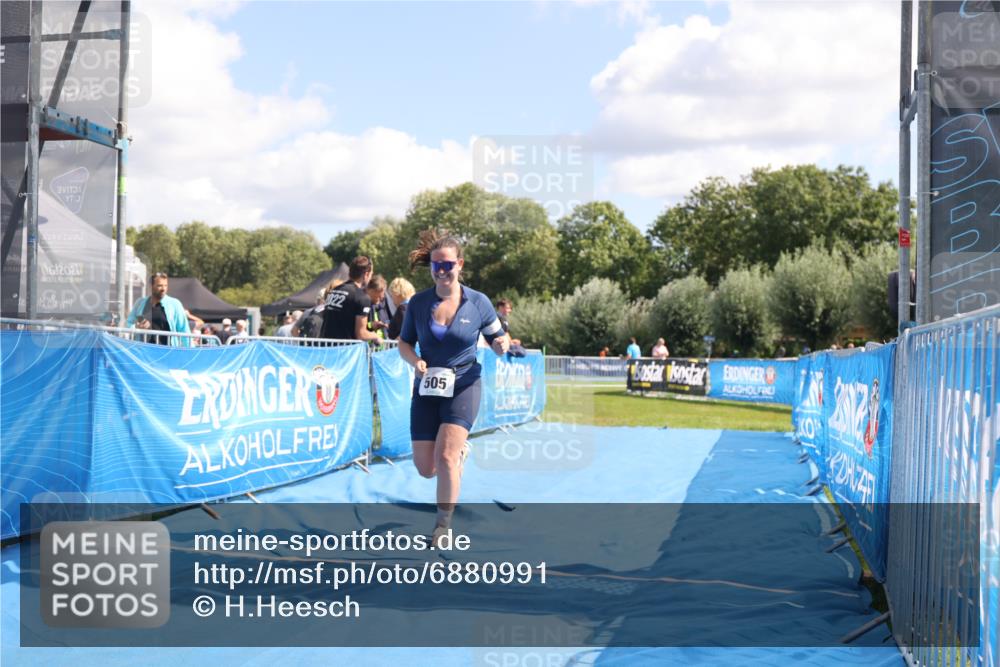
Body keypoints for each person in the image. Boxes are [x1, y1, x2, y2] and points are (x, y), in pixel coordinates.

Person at [397, 230, 510, 546]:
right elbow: (403, 343)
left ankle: (442, 527)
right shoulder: (418, 303)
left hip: (464, 383)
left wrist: (502, 344)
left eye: (447, 265)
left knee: (445, 456)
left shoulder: (478, 302)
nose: (441, 271)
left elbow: (498, 339)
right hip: (427, 386)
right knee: (425, 468)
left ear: (459, 264)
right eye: (436, 266)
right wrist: (415, 361)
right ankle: (457, 458)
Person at [321, 256, 383, 342]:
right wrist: (375, 336)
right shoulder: (362, 298)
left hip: (327, 349)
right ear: (366, 274)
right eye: (371, 274)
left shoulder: (334, 291)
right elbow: (361, 334)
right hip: (345, 352)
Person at [126, 272, 191, 346]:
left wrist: (191, 352)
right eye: (159, 286)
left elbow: (184, 330)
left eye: (165, 286)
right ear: (151, 286)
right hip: (144, 352)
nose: (163, 289)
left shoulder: (175, 304)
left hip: (167, 353)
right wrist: (137, 327)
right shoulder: (140, 303)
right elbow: (128, 323)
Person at [365, 274, 391, 341]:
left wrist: (387, 324)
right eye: (378, 296)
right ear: (371, 291)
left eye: (382, 295)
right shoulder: (363, 303)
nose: (381, 298)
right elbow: (358, 327)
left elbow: (389, 319)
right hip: (368, 345)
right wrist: (371, 325)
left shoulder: (384, 302)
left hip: (383, 345)